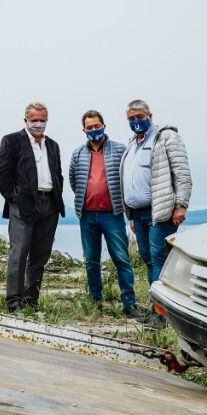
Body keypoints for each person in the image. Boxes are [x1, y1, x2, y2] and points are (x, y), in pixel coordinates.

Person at [0, 102, 64, 312]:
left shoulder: (53, 145)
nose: (38, 124)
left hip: (49, 203)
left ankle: (31, 300)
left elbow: (57, 173)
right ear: (26, 120)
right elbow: (0, 174)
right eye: (34, 120)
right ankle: (13, 301)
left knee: (41, 254)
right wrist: (16, 197)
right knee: (19, 252)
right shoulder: (12, 141)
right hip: (23, 205)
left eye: (42, 120)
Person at [68, 110, 140, 317]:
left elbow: (129, 177)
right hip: (87, 215)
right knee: (91, 260)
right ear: (84, 130)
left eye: (96, 126)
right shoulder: (78, 153)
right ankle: (95, 301)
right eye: (89, 127)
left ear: (104, 126)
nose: (93, 130)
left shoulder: (119, 150)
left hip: (113, 214)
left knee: (121, 258)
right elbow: (74, 181)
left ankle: (129, 303)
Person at [121, 99, 191, 285]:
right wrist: (131, 216)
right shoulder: (132, 145)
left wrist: (181, 205)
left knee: (159, 256)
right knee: (148, 258)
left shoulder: (166, 138)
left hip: (160, 210)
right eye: (131, 118)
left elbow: (182, 173)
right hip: (138, 214)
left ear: (150, 117)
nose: (136, 121)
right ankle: (155, 303)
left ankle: (159, 311)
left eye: (140, 117)